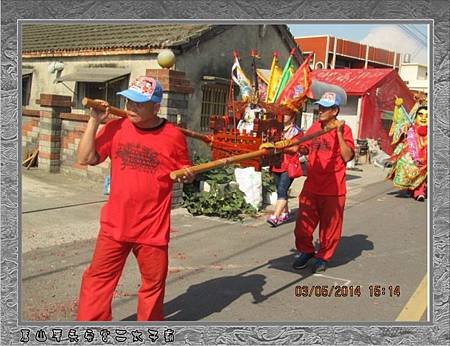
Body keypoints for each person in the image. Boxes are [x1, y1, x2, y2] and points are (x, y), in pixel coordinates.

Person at [75, 76, 194, 321]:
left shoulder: (173, 137)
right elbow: (85, 158)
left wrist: (187, 176)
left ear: (156, 107)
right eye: (129, 101)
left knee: (152, 286)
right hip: (114, 225)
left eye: (139, 103)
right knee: (97, 281)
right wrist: (94, 120)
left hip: (153, 229)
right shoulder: (116, 128)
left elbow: (185, 172)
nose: (131, 107)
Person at [292, 91, 355, 273]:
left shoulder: (345, 129)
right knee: (302, 226)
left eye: (325, 108)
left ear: (335, 110)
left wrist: (340, 134)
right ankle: (306, 251)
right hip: (311, 187)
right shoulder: (314, 128)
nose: (320, 110)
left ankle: (323, 257)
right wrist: (282, 148)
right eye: (320, 106)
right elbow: (301, 147)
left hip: (333, 190)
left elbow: (347, 156)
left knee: (330, 228)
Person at [266, 111, 304, 227]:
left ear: (292, 117)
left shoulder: (297, 131)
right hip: (276, 164)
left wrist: (281, 146)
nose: (283, 116)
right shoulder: (276, 129)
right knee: (279, 189)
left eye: (286, 114)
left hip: (289, 165)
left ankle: (275, 216)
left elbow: (295, 148)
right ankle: (285, 212)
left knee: (282, 189)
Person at [387, 104, 428, 201]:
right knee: (409, 171)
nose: (423, 118)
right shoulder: (410, 129)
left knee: (422, 174)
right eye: (420, 115)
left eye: (427, 116)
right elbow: (400, 131)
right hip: (412, 156)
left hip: (425, 157)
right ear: (416, 116)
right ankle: (412, 190)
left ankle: (419, 192)